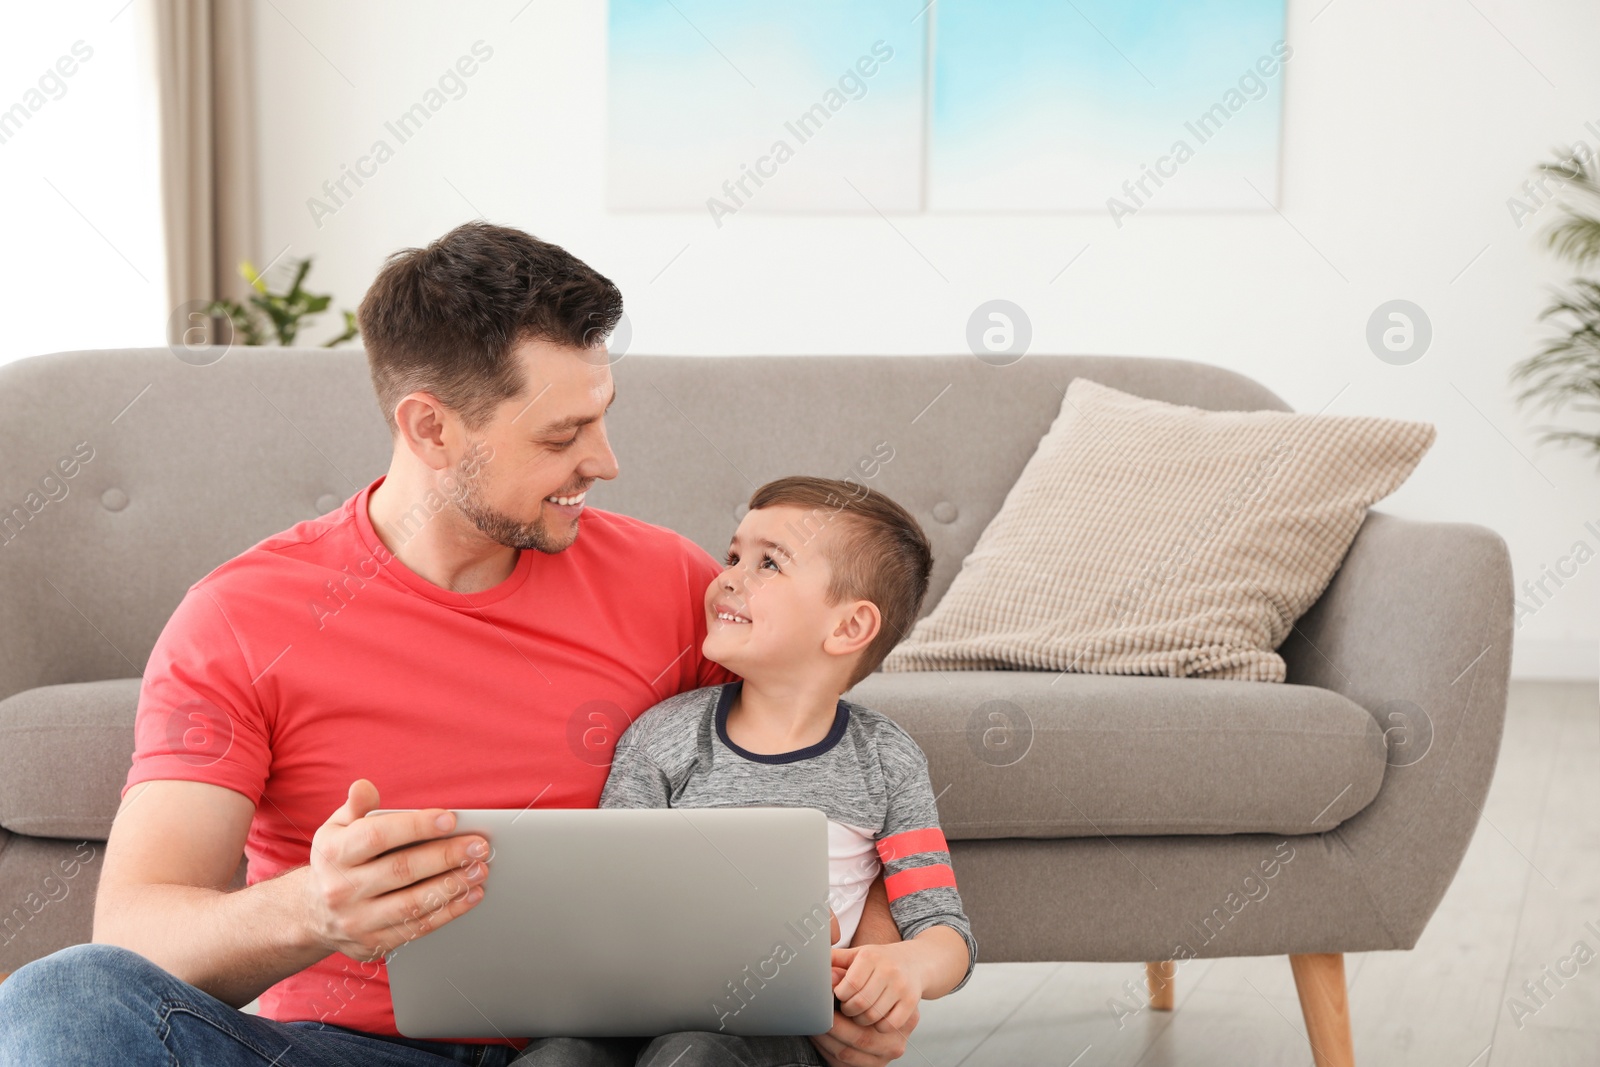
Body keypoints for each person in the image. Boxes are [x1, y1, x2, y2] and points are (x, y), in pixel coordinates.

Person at [0, 222, 920, 1067]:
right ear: (430, 428)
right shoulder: (242, 617)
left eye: (602, 415)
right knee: (63, 996)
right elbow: (138, 931)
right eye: (562, 434)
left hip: (608, 1050)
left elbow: (828, 768)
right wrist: (312, 910)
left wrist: (865, 969)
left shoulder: (672, 585)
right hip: (348, 1049)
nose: (605, 461)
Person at [599, 476, 977, 1059]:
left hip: (777, 1031)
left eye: (769, 564)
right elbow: (601, 888)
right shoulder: (662, 736)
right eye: (733, 555)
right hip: (639, 1007)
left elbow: (944, 930)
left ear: (849, 627)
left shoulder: (886, 760)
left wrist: (904, 965)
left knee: (693, 1053)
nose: (726, 577)